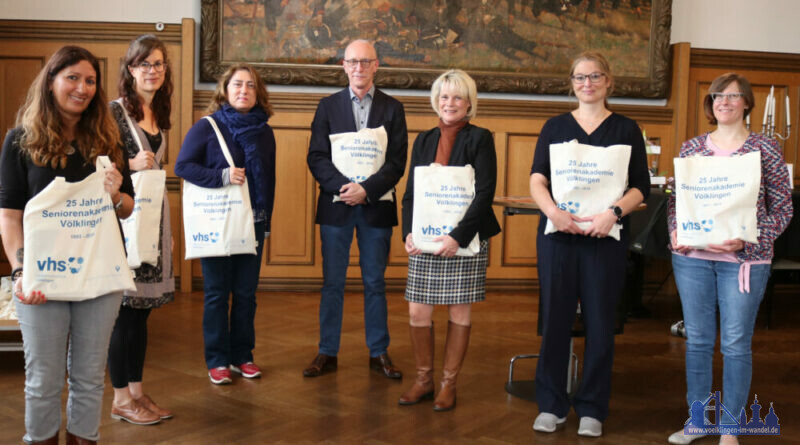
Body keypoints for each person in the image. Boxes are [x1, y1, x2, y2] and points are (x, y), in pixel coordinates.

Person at [0, 45, 134, 445]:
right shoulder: (20, 141)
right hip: (42, 278)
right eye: (72, 78)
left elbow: (126, 209)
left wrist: (115, 194)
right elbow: (9, 216)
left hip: (99, 275)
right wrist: (21, 271)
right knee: (42, 379)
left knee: (90, 378)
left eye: (90, 80)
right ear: (51, 81)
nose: (83, 88)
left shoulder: (108, 138)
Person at [666, 73, 793, 445]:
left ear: (747, 103)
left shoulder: (765, 149)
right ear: (710, 103)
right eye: (718, 95)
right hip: (693, 258)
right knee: (698, 342)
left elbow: (782, 209)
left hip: (744, 262)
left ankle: (730, 429)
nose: (724, 101)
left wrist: (749, 239)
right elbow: (677, 201)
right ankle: (697, 421)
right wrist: (676, 231)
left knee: (736, 344)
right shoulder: (692, 149)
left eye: (733, 96)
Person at [528, 51, 649, 437]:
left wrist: (612, 213)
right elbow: (537, 179)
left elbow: (640, 188)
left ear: (608, 82)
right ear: (572, 83)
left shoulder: (627, 129)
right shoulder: (554, 126)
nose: (587, 83)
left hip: (605, 238)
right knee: (555, 321)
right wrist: (553, 213)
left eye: (595, 76)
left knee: (600, 323)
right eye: (580, 77)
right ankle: (551, 404)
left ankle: (593, 407)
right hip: (558, 236)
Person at [304, 39, 407, 379]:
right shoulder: (327, 106)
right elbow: (316, 157)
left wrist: (367, 190)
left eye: (366, 61)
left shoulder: (393, 109)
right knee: (332, 282)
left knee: (375, 282)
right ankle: (326, 351)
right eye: (353, 62)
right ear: (344, 66)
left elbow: (396, 162)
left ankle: (378, 352)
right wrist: (344, 188)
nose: (359, 68)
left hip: (376, 207)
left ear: (377, 65)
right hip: (336, 208)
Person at [398, 69, 500, 411]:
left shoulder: (481, 138)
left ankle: (447, 384)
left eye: (457, 97)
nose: (450, 103)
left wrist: (457, 237)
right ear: (435, 101)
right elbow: (411, 193)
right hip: (425, 239)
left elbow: (484, 193)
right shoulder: (423, 139)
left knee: (459, 310)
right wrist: (408, 233)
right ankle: (423, 380)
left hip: (466, 239)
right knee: (417, 312)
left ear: (469, 103)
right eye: (444, 97)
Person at [175, 63, 276, 385]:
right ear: (225, 90)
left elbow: (268, 180)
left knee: (246, 293)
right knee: (217, 293)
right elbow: (183, 166)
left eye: (250, 85)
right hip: (217, 220)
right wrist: (221, 176)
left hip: (253, 222)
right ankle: (217, 360)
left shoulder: (265, 130)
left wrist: (267, 221)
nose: (243, 90)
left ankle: (242, 356)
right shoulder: (208, 126)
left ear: (257, 93)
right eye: (237, 84)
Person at [106, 34, 175, 425]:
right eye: (144, 64)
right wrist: (128, 166)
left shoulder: (156, 114)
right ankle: (119, 398)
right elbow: (93, 162)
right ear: (130, 68)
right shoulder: (114, 112)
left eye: (159, 64)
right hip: (121, 221)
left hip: (150, 219)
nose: (152, 71)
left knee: (143, 313)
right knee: (124, 313)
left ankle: (136, 391)